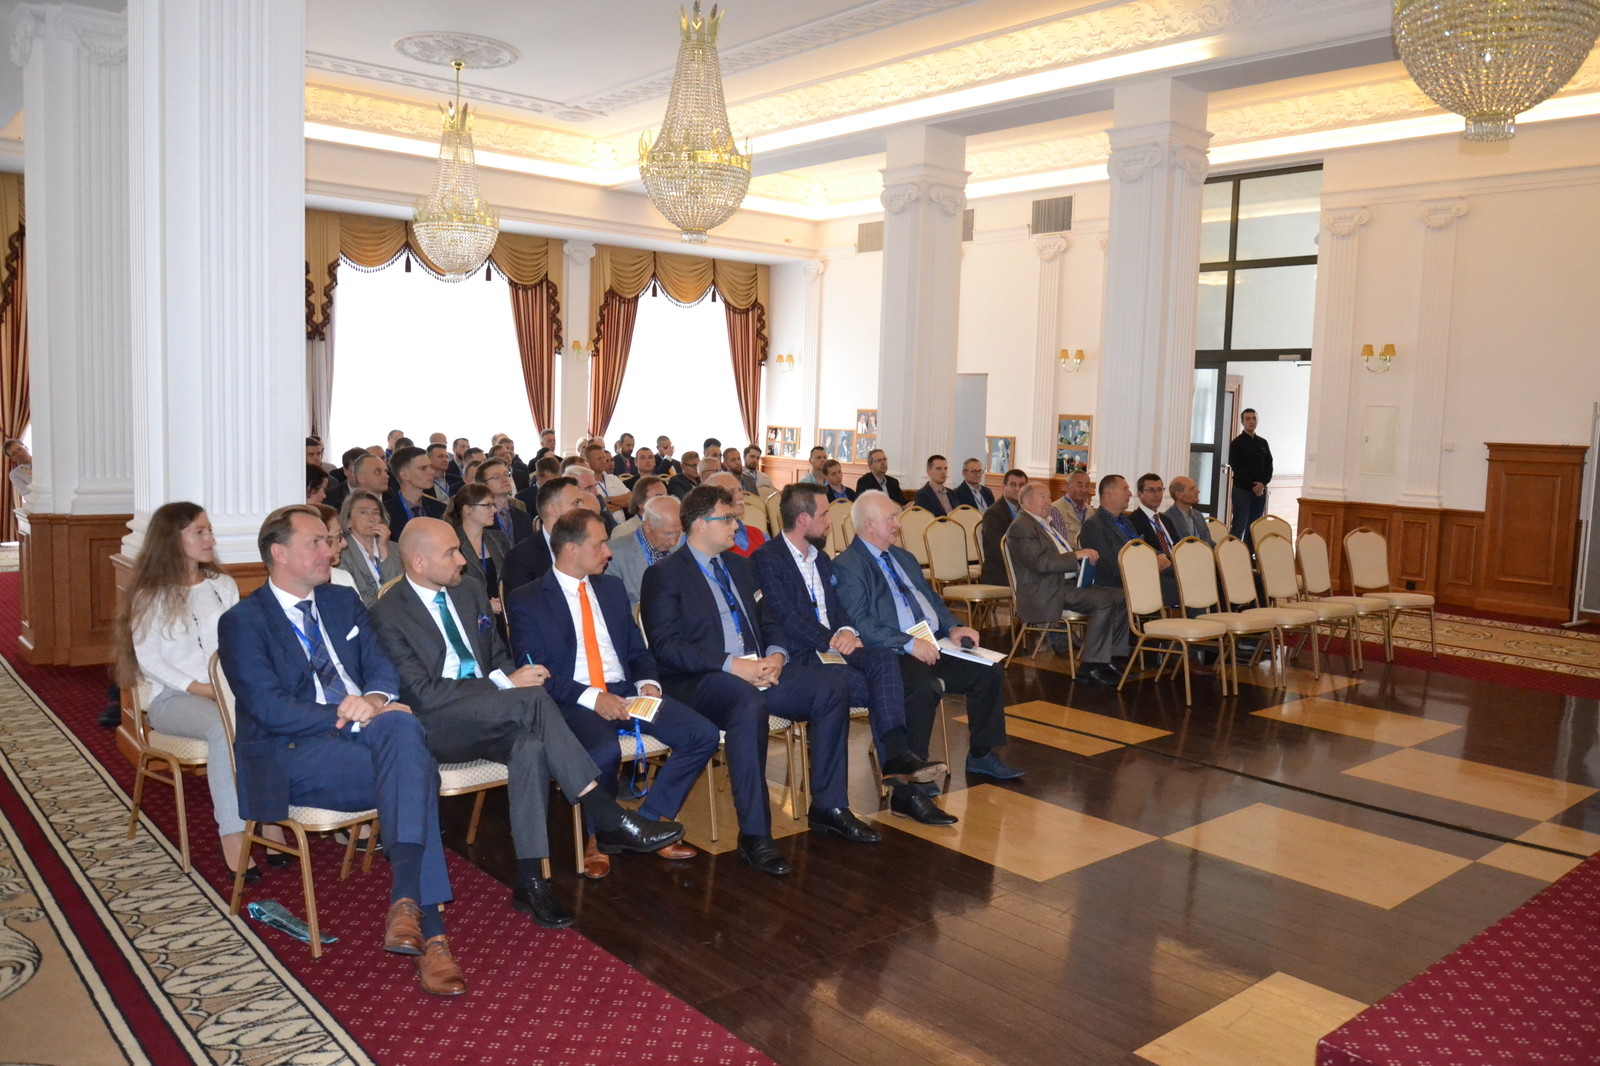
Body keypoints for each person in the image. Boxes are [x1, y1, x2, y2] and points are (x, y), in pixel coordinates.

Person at [370, 517, 685, 927]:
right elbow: (425, 694)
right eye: (451, 553)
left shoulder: (468, 590)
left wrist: (516, 676)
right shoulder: (388, 613)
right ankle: (607, 815)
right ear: (417, 561)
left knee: (530, 746)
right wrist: (505, 683)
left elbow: (498, 655)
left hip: (495, 713)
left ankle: (531, 881)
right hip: (436, 726)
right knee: (533, 699)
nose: (463, 560)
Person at [217, 505, 464, 996]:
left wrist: (374, 700)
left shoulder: (341, 600)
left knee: (403, 736)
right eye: (316, 542)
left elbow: (381, 666)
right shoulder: (242, 621)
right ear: (278, 552)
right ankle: (430, 931)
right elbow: (268, 708)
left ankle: (408, 907)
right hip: (295, 753)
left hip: (367, 737)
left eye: (328, 541)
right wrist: (348, 713)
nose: (329, 551)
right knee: (416, 769)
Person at [640, 484, 878, 877]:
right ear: (699, 524)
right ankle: (755, 834)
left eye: (735, 518)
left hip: (759, 669)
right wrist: (732, 665)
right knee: (746, 703)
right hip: (701, 679)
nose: (737, 526)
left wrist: (777, 655)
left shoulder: (740, 565)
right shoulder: (664, 575)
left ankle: (829, 806)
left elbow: (770, 621)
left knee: (830, 689)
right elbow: (667, 648)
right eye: (728, 519)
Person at [506, 509, 710, 878]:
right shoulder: (528, 599)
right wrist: (593, 698)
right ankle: (599, 837)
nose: (609, 552)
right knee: (603, 751)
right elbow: (536, 674)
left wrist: (648, 683)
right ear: (571, 549)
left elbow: (637, 651)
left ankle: (645, 824)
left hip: (625, 692)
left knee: (702, 734)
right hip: (573, 700)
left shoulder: (611, 588)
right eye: (599, 544)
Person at [752, 484, 951, 824]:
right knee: (888, 688)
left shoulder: (821, 558)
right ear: (803, 519)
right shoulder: (768, 558)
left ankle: (897, 758)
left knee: (885, 659)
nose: (831, 522)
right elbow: (787, 616)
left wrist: (847, 630)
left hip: (835, 647)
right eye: (824, 515)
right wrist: (832, 638)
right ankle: (901, 785)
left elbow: (838, 608)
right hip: (802, 655)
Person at [114, 502, 286, 878]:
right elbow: (149, 659)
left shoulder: (222, 585)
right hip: (173, 699)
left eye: (209, 530)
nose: (211, 538)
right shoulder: (150, 593)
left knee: (270, 718)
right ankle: (233, 833)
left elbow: (240, 643)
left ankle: (269, 816)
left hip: (227, 692)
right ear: (173, 540)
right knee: (222, 728)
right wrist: (200, 688)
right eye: (200, 532)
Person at [834, 490, 1023, 782]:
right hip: (893, 652)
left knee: (988, 671)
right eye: (891, 519)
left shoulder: (904, 557)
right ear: (869, 524)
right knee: (924, 686)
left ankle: (981, 755)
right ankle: (913, 771)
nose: (899, 524)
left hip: (933, 641)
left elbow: (932, 600)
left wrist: (954, 627)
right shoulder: (849, 565)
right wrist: (909, 643)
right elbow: (860, 622)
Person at [1009, 484, 1127, 684]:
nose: (1048, 501)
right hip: (1046, 589)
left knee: (1122, 596)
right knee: (1102, 601)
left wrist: (1081, 554)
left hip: (1066, 584)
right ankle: (1090, 666)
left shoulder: (1044, 524)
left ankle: (1108, 659)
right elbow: (1041, 563)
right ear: (1026, 501)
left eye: (1049, 496)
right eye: (1042, 497)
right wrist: (1077, 555)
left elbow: (1060, 553)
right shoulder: (1021, 527)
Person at [1078, 474, 1178, 606]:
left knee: (1188, 576)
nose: (1130, 493)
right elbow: (1110, 566)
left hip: (1142, 574)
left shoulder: (1126, 522)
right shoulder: (1094, 526)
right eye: (1125, 489)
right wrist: (1150, 564)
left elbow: (1141, 546)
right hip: (1120, 583)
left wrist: (1158, 555)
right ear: (1109, 493)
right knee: (1181, 587)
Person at [501, 477, 587, 595]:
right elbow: (521, 604)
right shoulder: (521, 558)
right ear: (554, 509)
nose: (584, 509)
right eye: (576, 503)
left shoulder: (588, 546)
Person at [446, 483, 510, 626]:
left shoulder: (498, 539)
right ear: (468, 509)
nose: (494, 510)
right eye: (488, 505)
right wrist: (486, 606)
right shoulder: (451, 544)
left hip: (503, 616)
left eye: (493, 505)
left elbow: (510, 577)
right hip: (470, 619)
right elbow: (451, 590)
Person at [607, 494, 682, 607]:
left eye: (678, 533)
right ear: (647, 525)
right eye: (668, 534)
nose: (674, 542)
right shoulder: (614, 555)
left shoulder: (678, 551)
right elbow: (615, 607)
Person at [339, 489, 403, 606]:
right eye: (363, 513)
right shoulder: (342, 553)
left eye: (376, 513)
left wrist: (384, 552)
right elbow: (356, 598)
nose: (371, 519)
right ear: (348, 521)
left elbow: (400, 589)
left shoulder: (395, 548)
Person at [1228, 408, 1272, 545]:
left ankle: (1249, 552)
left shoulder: (1263, 443)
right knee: (1239, 524)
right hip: (1242, 490)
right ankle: (1233, 551)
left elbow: (1269, 466)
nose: (1251, 421)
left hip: (1260, 491)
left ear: (1257, 421)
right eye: (1248, 419)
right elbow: (1237, 468)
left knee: (1254, 525)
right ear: (1242, 422)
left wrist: (1263, 484)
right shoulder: (1237, 443)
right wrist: (1253, 486)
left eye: (1254, 418)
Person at [979, 469, 1028, 586]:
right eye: (1013, 485)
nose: (1017, 489)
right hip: (1001, 572)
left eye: (1021, 485)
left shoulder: (1028, 511)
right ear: (1004, 486)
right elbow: (1000, 548)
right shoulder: (993, 514)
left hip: (1023, 568)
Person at [386, 446, 445, 536]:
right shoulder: (385, 513)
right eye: (423, 468)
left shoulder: (440, 509)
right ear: (405, 475)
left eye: (430, 467)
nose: (432, 471)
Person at [704, 472, 766, 557]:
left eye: (740, 490)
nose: (741, 496)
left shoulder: (758, 534)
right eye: (732, 492)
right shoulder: (708, 540)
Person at [474, 457, 533, 546]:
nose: (505, 479)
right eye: (496, 477)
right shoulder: (480, 520)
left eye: (506, 474)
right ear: (483, 485)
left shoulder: (524, 517)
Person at [611, 475, 668, 542]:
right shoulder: (623, 532)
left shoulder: (673, 528)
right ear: (640, 502)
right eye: (658, 497)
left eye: (667, 498)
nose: (665, 502)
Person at [1162, 475, 1213, 545]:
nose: (1197, 491)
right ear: (1179, 495)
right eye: (1192, 489)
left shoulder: (1198, 515)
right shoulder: (1168, 519)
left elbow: (1209, 542)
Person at [1052, 471, 1095, 547]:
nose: (1084, 490)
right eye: (1079, 485)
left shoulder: (1090, 511)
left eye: (1087, 485)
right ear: (1068, 485)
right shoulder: (1056, 509)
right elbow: (1061, 545)